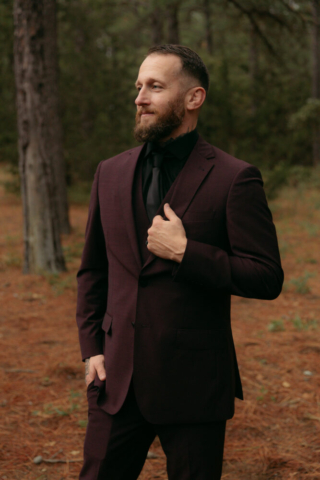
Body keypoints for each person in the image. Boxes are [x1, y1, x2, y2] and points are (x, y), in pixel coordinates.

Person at [76, 44, 283, 480]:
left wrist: (188, 254)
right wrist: (91, 346)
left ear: (193, 98)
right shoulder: (109, 173)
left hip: (194, 385)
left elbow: (266, 276)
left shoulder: (234, 177)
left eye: (155, 86)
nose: (140, 97)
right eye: (138, 87)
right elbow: (94, 269)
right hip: (116, 380)